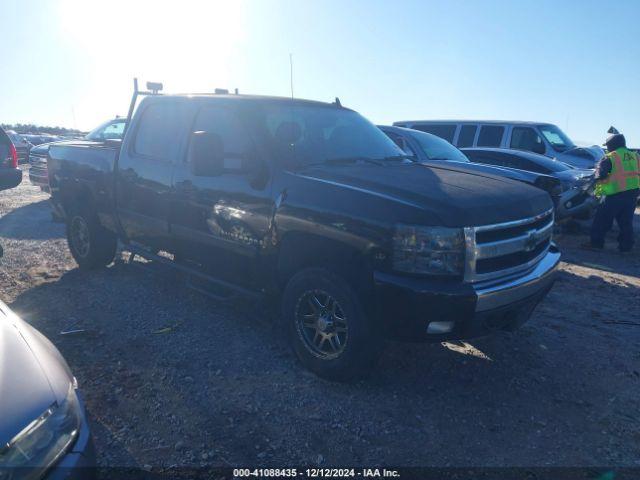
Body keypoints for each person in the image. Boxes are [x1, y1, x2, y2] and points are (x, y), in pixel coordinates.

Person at [585, 133, 639, 252]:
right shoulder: (635, 156)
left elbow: (600, 175)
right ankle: (626, 247)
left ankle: (596, 244)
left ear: (613, 145)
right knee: (626, 223)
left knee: (602, 220)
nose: (607, 148)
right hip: (632, 196)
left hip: (614, 194)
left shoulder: (611, 157)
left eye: (608, 145)